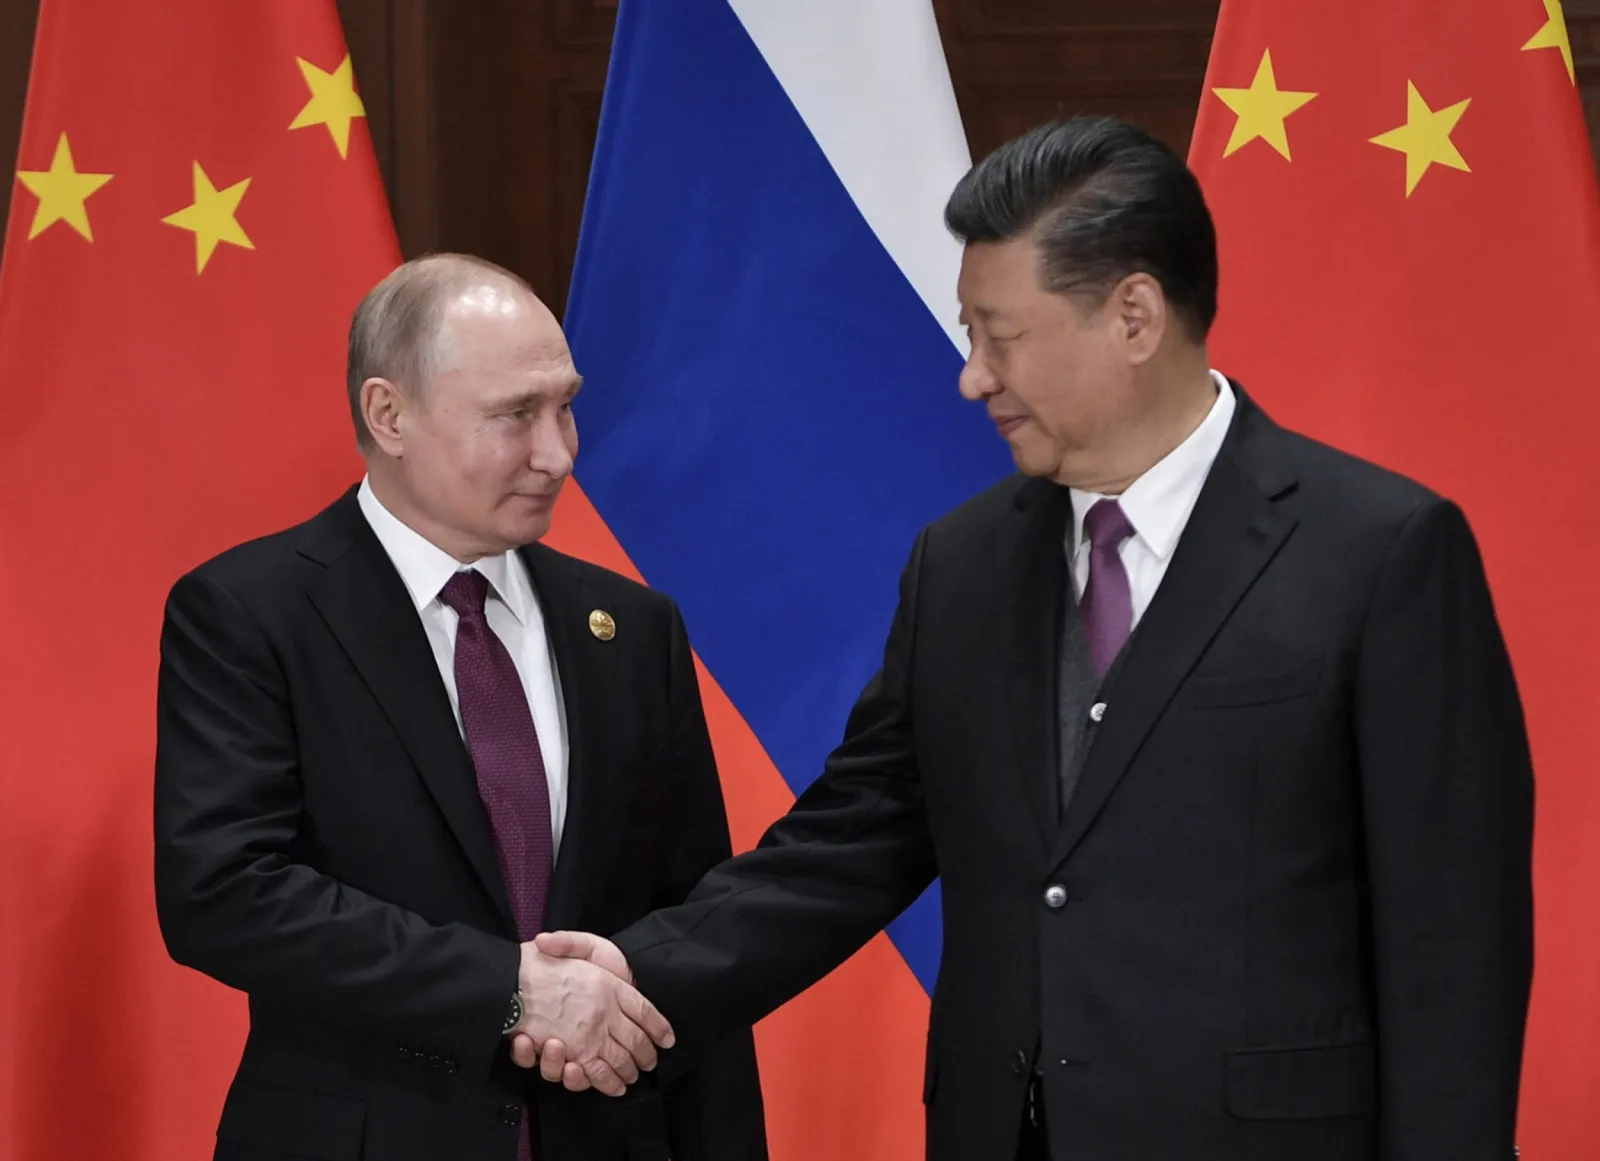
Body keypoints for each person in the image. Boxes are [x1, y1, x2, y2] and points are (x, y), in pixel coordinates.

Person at [517, 117, 1535, 1161]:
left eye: (999, 336)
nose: (973, 377)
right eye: (970, 335)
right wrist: (638, 972)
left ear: (1134, 315)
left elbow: (1452, 941)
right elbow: (850, 842)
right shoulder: (963, 565)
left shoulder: (1378, 552)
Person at [153, 254, 767, 1161]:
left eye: (564, 406)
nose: (558, 451)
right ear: (388, 414)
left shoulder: (631, 628)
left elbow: (696, 931)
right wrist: (508, 989)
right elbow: (225, 893)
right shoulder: (251, 612)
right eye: (515, 415)